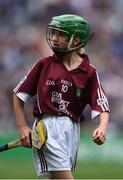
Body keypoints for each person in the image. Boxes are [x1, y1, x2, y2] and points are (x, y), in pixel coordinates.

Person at [13, 14, 110, 179]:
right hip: (47, 129)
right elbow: (18, 94)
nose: (55, 38)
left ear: (77, 40)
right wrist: (22, 127)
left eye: (61, 34)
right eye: (54, 33)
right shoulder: (44, 64)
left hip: (72, 130)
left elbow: (101, 104)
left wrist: (102, 127)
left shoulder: (89, 72)